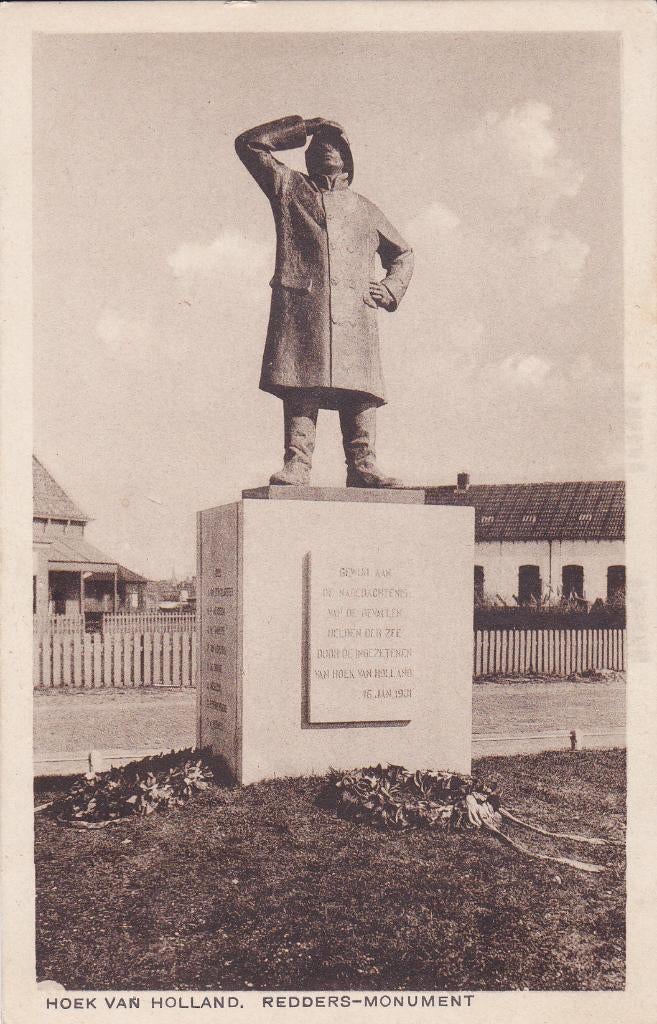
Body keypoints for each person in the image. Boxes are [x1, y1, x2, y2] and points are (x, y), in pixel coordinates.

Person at [235, 114, 414, 487]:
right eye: (320, 144)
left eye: (335, 144)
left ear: (348, 160)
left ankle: (363, 464)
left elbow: (403, 253)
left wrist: (392, 287)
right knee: (303, 384)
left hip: (355, 314)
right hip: (305, 310)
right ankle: (298, 462)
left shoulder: (365, 208)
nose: (327, 148)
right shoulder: (289, 187)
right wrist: (305, 127)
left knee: (360, 393)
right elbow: (249, 144)